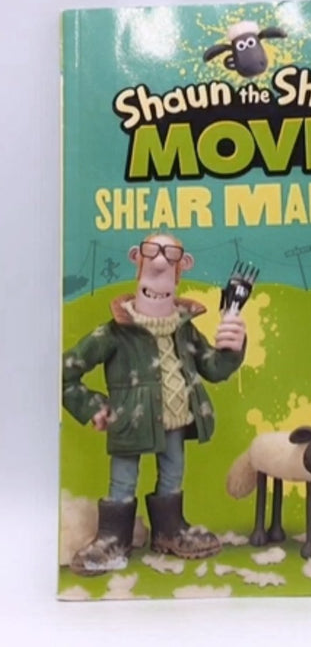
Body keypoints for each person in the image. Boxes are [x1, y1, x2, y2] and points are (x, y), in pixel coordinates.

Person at [62, 233, 246, 575]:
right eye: (152, 256)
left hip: (176, 418)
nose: (160, 264)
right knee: (123, 481)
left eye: (170, 258)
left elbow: (213, 368)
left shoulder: (184, 330)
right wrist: (92, 406)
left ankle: (169, 530)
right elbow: (65, 372)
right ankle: (113, 538)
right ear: (137, 260)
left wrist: (233, 347)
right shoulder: (113, 333)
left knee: (173, 474)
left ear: (181, 269)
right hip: (129, 422)